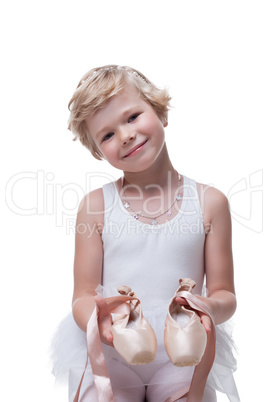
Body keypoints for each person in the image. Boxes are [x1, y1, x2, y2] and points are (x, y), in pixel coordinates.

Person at [51, 65, 239, 401]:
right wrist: (99, 320)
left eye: (133, 117)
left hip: (183, 346)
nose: (124, 135)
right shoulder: (96, 206)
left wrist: (206, 306)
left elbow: (226, 293)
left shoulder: (209, 202)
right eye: (107, 135)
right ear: (98, 151)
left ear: (161, 112)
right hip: (117, 345)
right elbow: (82, 293)